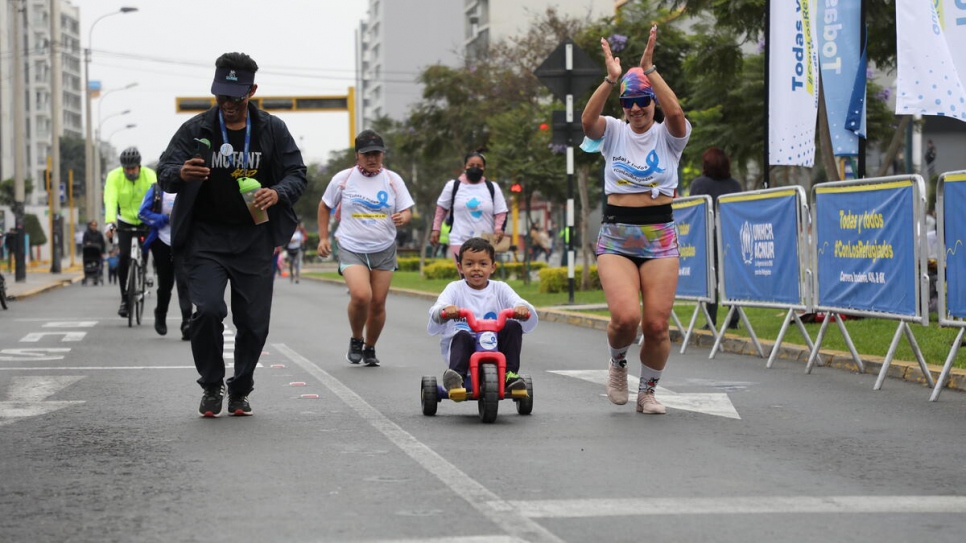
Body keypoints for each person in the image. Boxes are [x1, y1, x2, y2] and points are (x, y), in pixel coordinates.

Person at [157, 51, 307, 417]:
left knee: (254, 324)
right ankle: (211, 384)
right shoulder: (197, 129)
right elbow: (165, 169)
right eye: (221, 97)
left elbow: (297, 173)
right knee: (206, 311)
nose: (227, 105)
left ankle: (240, 388)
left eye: (235, 98)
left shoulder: (272, 128)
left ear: (251, 91)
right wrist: (181, 174)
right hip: (205, 238)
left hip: (253, 237)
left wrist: (278, 192)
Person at [580, 25, 691, 415]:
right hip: (617, 235)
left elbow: (676, 112)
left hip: (660, 236)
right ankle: (617, 362)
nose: (636, 108)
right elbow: (587, 121)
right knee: (626, 318)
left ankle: (647, 392)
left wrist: (651, 70)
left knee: (657, 325)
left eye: (643, 100)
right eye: (629, 102)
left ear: (653, 101)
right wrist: (611, 81)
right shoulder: (612, 132)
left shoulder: (670, 135)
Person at [317, 129, 414, 367]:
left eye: (377, 154)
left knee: (378, 302)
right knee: (362, 296)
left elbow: (406, 209)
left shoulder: (393, 179)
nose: (372, 158)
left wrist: (404, 217)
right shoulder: (343, 179)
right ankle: (356, 338)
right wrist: (323, 238)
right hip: (352, 246)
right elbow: (324, 206)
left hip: (383, 248)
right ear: (357, 155)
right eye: (367, 154)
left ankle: (370, 347)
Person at [427, 237, 538, 392]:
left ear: (493, 267)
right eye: (470, 264)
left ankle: (510, 374)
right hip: (467, 345)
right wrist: (445, 310)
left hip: (495, 344)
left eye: (483, 264)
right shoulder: (455, 288)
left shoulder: (500, 288)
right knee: (462, 334)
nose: (476, 268)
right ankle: (456, 377)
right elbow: (437, 309)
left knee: (513, 325)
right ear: (460, 267)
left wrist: (521, 309)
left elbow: (518, 302)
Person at [689, 146, 743, 330]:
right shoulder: (735, 185)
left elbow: (693, 211)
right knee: (731, 277)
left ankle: (710, 319)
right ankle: (734, 317)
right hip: (731, 236)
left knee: (711, 276)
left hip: (708, 235)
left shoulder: (699, 185)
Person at [103, 146, 156, 318]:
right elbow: (110, 200)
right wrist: (110, 222)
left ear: (139, 166)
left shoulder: (149, 175)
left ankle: (143, 270)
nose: (130, 172)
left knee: (145, 249)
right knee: (124, 257)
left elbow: (156, 197)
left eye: (133, 168)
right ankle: (125, 299)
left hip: (145, 219)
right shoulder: (114, 177)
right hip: (124, 219)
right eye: (127, 169)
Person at [429, 152, 509, 260]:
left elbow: (501, 212)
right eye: (471, 165)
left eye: (479, 166)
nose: (475, 168)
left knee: (482, 274)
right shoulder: (453, 186)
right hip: (459, 240)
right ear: (465, 167)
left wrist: (499, 229)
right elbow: (441, 209)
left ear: (484, 168)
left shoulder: (492, 187)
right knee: (465, 273)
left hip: (486, 241)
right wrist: (436, 229)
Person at [138, 183, 193, 339]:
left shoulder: (188, 188)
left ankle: (187, 322)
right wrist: (164, 218)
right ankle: (160, 314)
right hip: (161, 241)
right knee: (165, 283)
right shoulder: (156, 191)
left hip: (183, 241)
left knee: (184, 281)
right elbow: (142, 212)